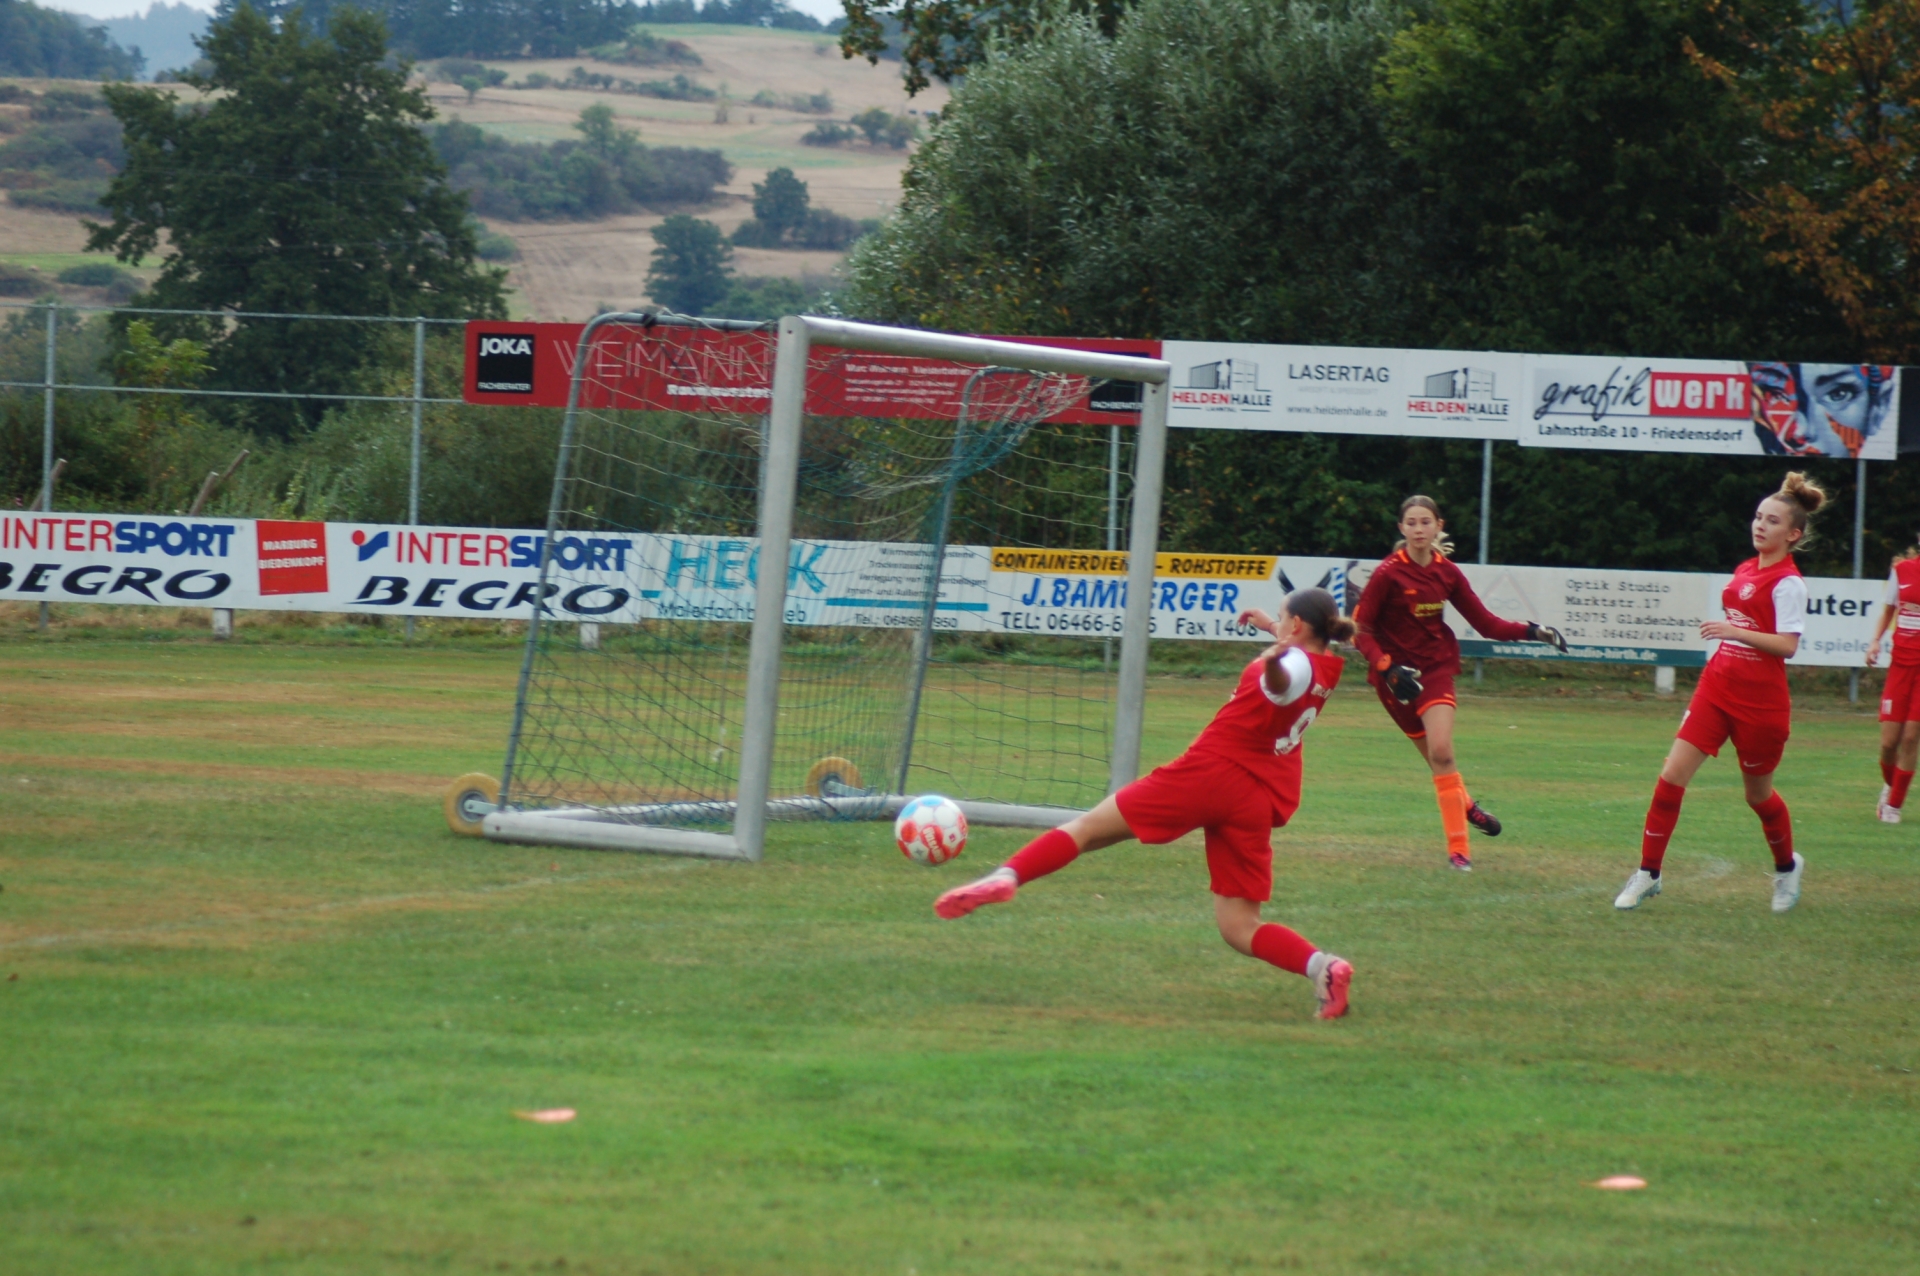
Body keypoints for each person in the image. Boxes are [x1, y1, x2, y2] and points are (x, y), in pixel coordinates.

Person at [931, 588, 1358, 1020]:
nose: (1278, 624)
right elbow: (1298, 663)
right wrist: (1269, 627)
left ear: (1296, 625)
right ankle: (1324, 967)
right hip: (1254, 796)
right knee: (1239, 926)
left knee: (1086, 829)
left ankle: (1006, 877)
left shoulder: (1289, 665)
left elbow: (1283, 683)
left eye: (1283, 618)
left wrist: (1271, 664)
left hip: (1210, 774)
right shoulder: (1324, 664)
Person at [1615, 472, 1826, 914]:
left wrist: (1734, 631)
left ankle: (1787, 867)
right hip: (1716, 689)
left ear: (1793, 534)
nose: (1760, 525)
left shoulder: (1788, 583)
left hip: (1761, 704)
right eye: (1758, 517)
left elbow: (1787, 645)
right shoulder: (1746, 568)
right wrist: (1733, 636)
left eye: (1772, 521)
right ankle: (1648, 873)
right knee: (1671, 776)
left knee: (1758, 796)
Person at [1350, 495, 1567, 871]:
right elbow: (1360, 629)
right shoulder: (1388, 573)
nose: (1419, 529)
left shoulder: (1447, 573)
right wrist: (1387, 668)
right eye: (1411, 523)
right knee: (1438, 763)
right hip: (1395, 681)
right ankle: (1466, 806)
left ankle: (1459, 852)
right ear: (1402, 529)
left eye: (1426, 522)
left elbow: (1486, 623)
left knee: (1443, 752)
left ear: (1439, 526)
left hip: (1435, 671)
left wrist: (1533, 631)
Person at [1865, 533, 1920, 823]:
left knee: (1911, 737)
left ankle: (1894, 807)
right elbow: (1888, 610)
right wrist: (1875, 642)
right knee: (1889, 743)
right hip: (1901, 665)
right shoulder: (1903, 571)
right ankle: (1890, 787)